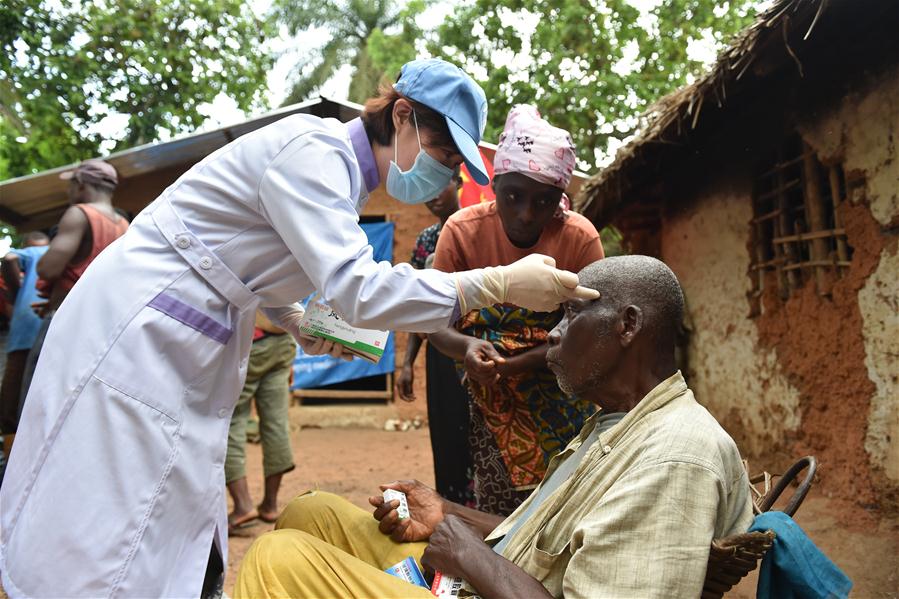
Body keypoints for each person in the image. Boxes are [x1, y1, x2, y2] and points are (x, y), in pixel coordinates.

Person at [0, 59, 598, 598]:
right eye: (444, 157)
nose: (443, 180)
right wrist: (498, 283)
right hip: (139, 329)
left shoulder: (339, 179)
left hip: (183, 330)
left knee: (158, 503)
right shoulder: (315, 153)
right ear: (404, 116)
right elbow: (357, 287)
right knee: (107, 505)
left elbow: (252, 261)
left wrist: (295, 319)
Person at [235, 255, 754, 599]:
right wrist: (446, 512)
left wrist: (465, 553)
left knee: (277, 560)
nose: (553, 332)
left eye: (570, 316)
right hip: (490, 578)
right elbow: (544, 538)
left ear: (628, 325)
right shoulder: (618, 424)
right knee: (312, 511)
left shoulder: (675, 456)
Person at [428, 105, 605, 515]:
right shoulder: (461, 233)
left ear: (559, 198)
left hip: (561, 397)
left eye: (543, 201)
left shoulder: (578, 238)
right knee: (500, 517)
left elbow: (587, 332)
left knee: (568, 506)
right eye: (513, 196)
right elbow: (435, 323)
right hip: (489, 399)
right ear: (494, 182)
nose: (526, 214)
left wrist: (516, 363)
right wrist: (468, 349)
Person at [18, 159, 129, 407]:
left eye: (70, 185)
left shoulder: (79, 213)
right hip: (99, 325)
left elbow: (47, 269)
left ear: (80, 185)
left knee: (36, 398)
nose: (68, 191)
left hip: (64, 319)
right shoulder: (124, 226)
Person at [395, 168, 474, 505]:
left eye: (440, 183)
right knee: (445, 430)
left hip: (475, 346)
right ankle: (450, 505)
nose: (432, 193)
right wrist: (407, 362)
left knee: (474, 428)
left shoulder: (475, 231)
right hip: (439, 353)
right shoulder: (426, 240)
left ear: (459, 183)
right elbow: (417, 306)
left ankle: (480, 508)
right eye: (426, 187)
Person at [226, 311, 297, 533]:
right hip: (283, 342)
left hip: (250, 343)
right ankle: (270, 505)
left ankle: (243, 506)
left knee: (232, 424)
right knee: (276, 424)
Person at [0, 232, 49, 464]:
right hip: (53, 328)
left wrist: (18, 288)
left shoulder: (31, 253)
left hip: (26, 331)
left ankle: (12, 464)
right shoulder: (66, 254)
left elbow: (8, 259)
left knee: (10, 405)